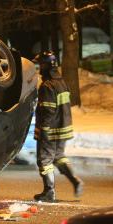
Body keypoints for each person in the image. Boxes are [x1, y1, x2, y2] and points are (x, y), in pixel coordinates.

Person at [32, 51, 83, 202]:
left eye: (40, 64)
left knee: (44, 160)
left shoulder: (47, 86)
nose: (39, 68)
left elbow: (48, 110)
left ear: (47, 65)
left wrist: (44, 130)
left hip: (51, 130)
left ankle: (49, 192)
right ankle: (75, 181)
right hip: (63, 128)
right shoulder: (62, 82)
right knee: (59, 157)